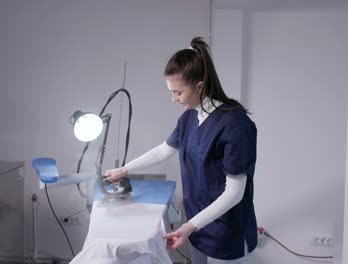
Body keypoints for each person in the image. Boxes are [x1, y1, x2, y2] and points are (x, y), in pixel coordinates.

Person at [104, 37, 257, 263]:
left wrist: (188, 227)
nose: (173, 99)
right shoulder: (189, 118)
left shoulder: (235, 125)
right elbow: (163, 150)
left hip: (226, 231)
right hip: (196, 225)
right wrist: (124, 170)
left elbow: (234, 193)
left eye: (178, 92)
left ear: (200, 86)